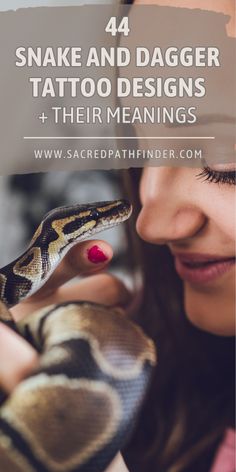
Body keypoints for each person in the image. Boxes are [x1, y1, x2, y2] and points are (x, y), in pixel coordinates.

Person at [0, 1, 235, 472]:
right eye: (139, 146)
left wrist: (65, 438)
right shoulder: (161, 371)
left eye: (226, 163)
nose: (150, 225)